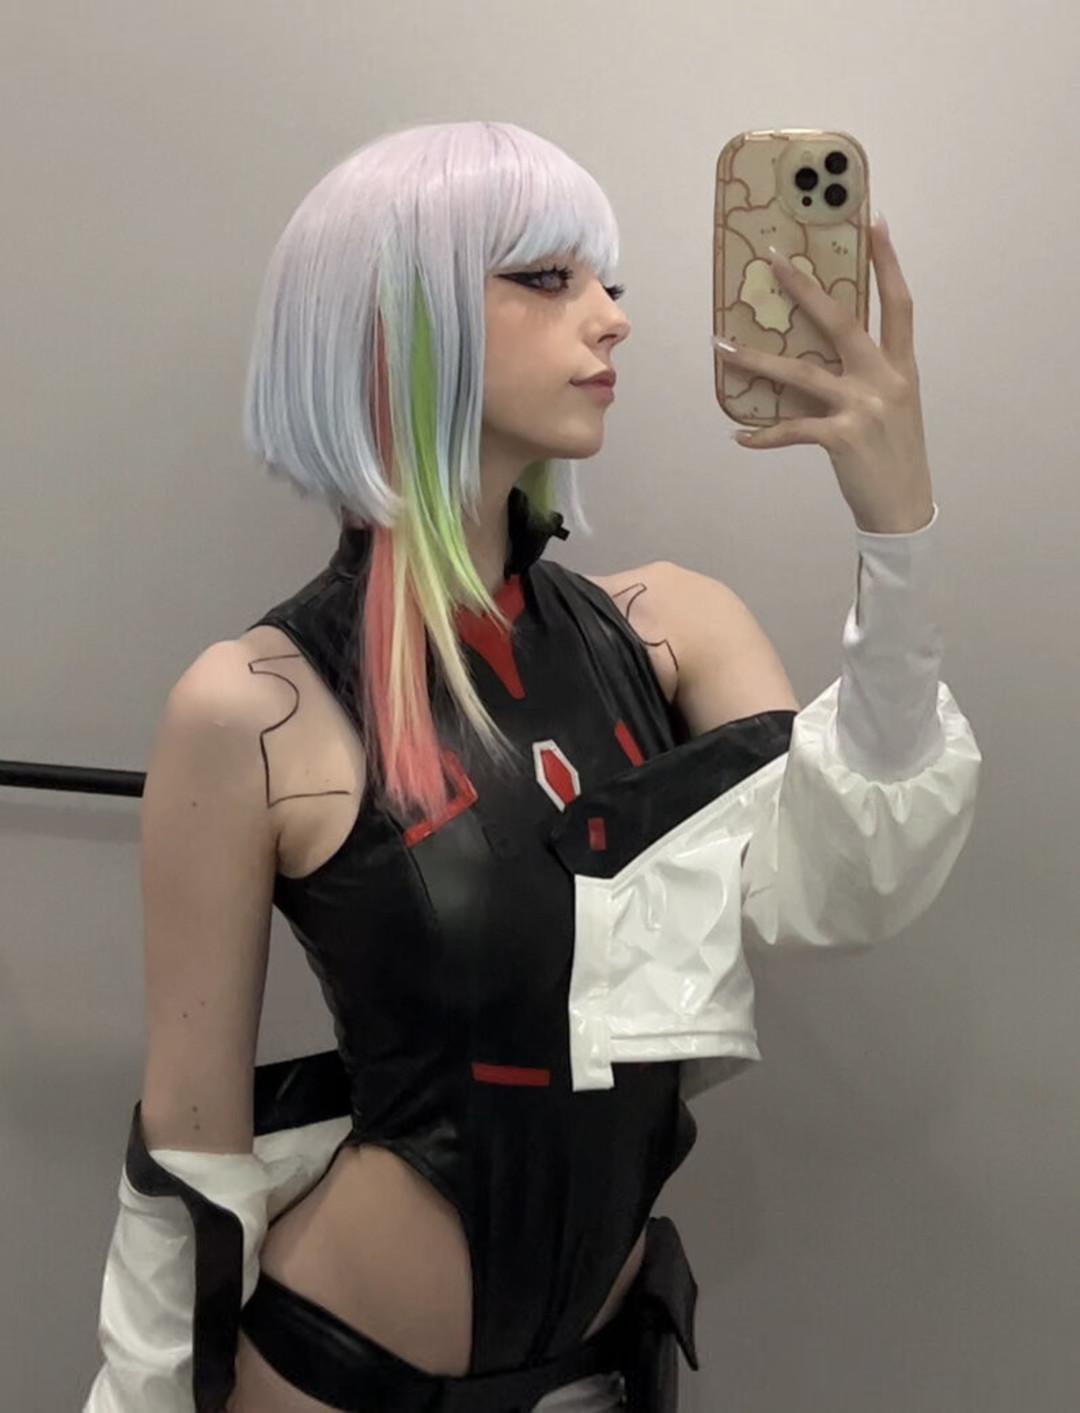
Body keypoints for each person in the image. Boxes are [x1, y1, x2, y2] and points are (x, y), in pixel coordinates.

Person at [82, 120, 981, 1413]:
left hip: (595, 1378)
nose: (612, 316)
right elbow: (188, 1153)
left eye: (608, 279)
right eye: (549, 278)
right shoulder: (254, 710)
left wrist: (897, 530)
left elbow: (849, 878)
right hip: (335, 1377)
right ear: (398, 324)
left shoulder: (671, 631)